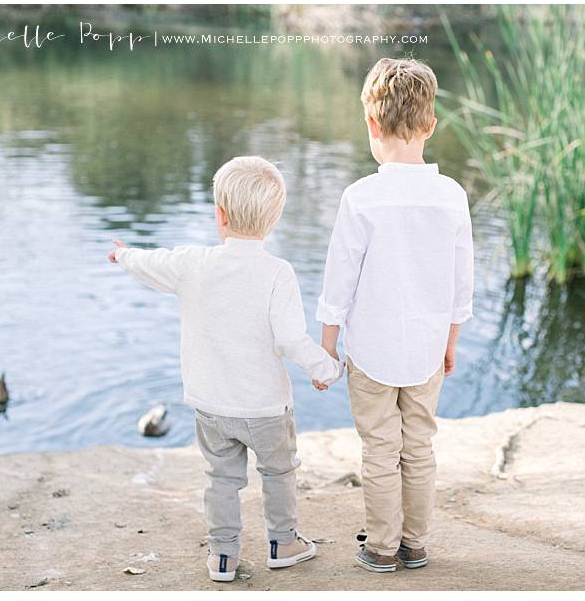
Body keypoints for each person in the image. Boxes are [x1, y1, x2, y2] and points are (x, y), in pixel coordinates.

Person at [109, 156, 344, 582]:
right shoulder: (278, 273)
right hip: (266, 408)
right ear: (275, 218)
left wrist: (124, 256)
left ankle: (222, 556)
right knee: (278, 473)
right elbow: (290, 339)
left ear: (220, 215)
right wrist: (325, 368)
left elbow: (152, 262)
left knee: (221, 478)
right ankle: (282, 542)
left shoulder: (193, 263)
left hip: (211, 405)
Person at [316, 58, 475, 573]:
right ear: (431, 126)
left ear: (371, 124)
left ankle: (381, 547)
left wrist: (327, 343)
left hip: (371, 351)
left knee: (381, 449)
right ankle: (416, 542)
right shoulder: (452, 197)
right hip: (428, 348)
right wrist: (450, 340)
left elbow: (340, 278)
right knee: (420, 445)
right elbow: (460, 283)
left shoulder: (361, 197)